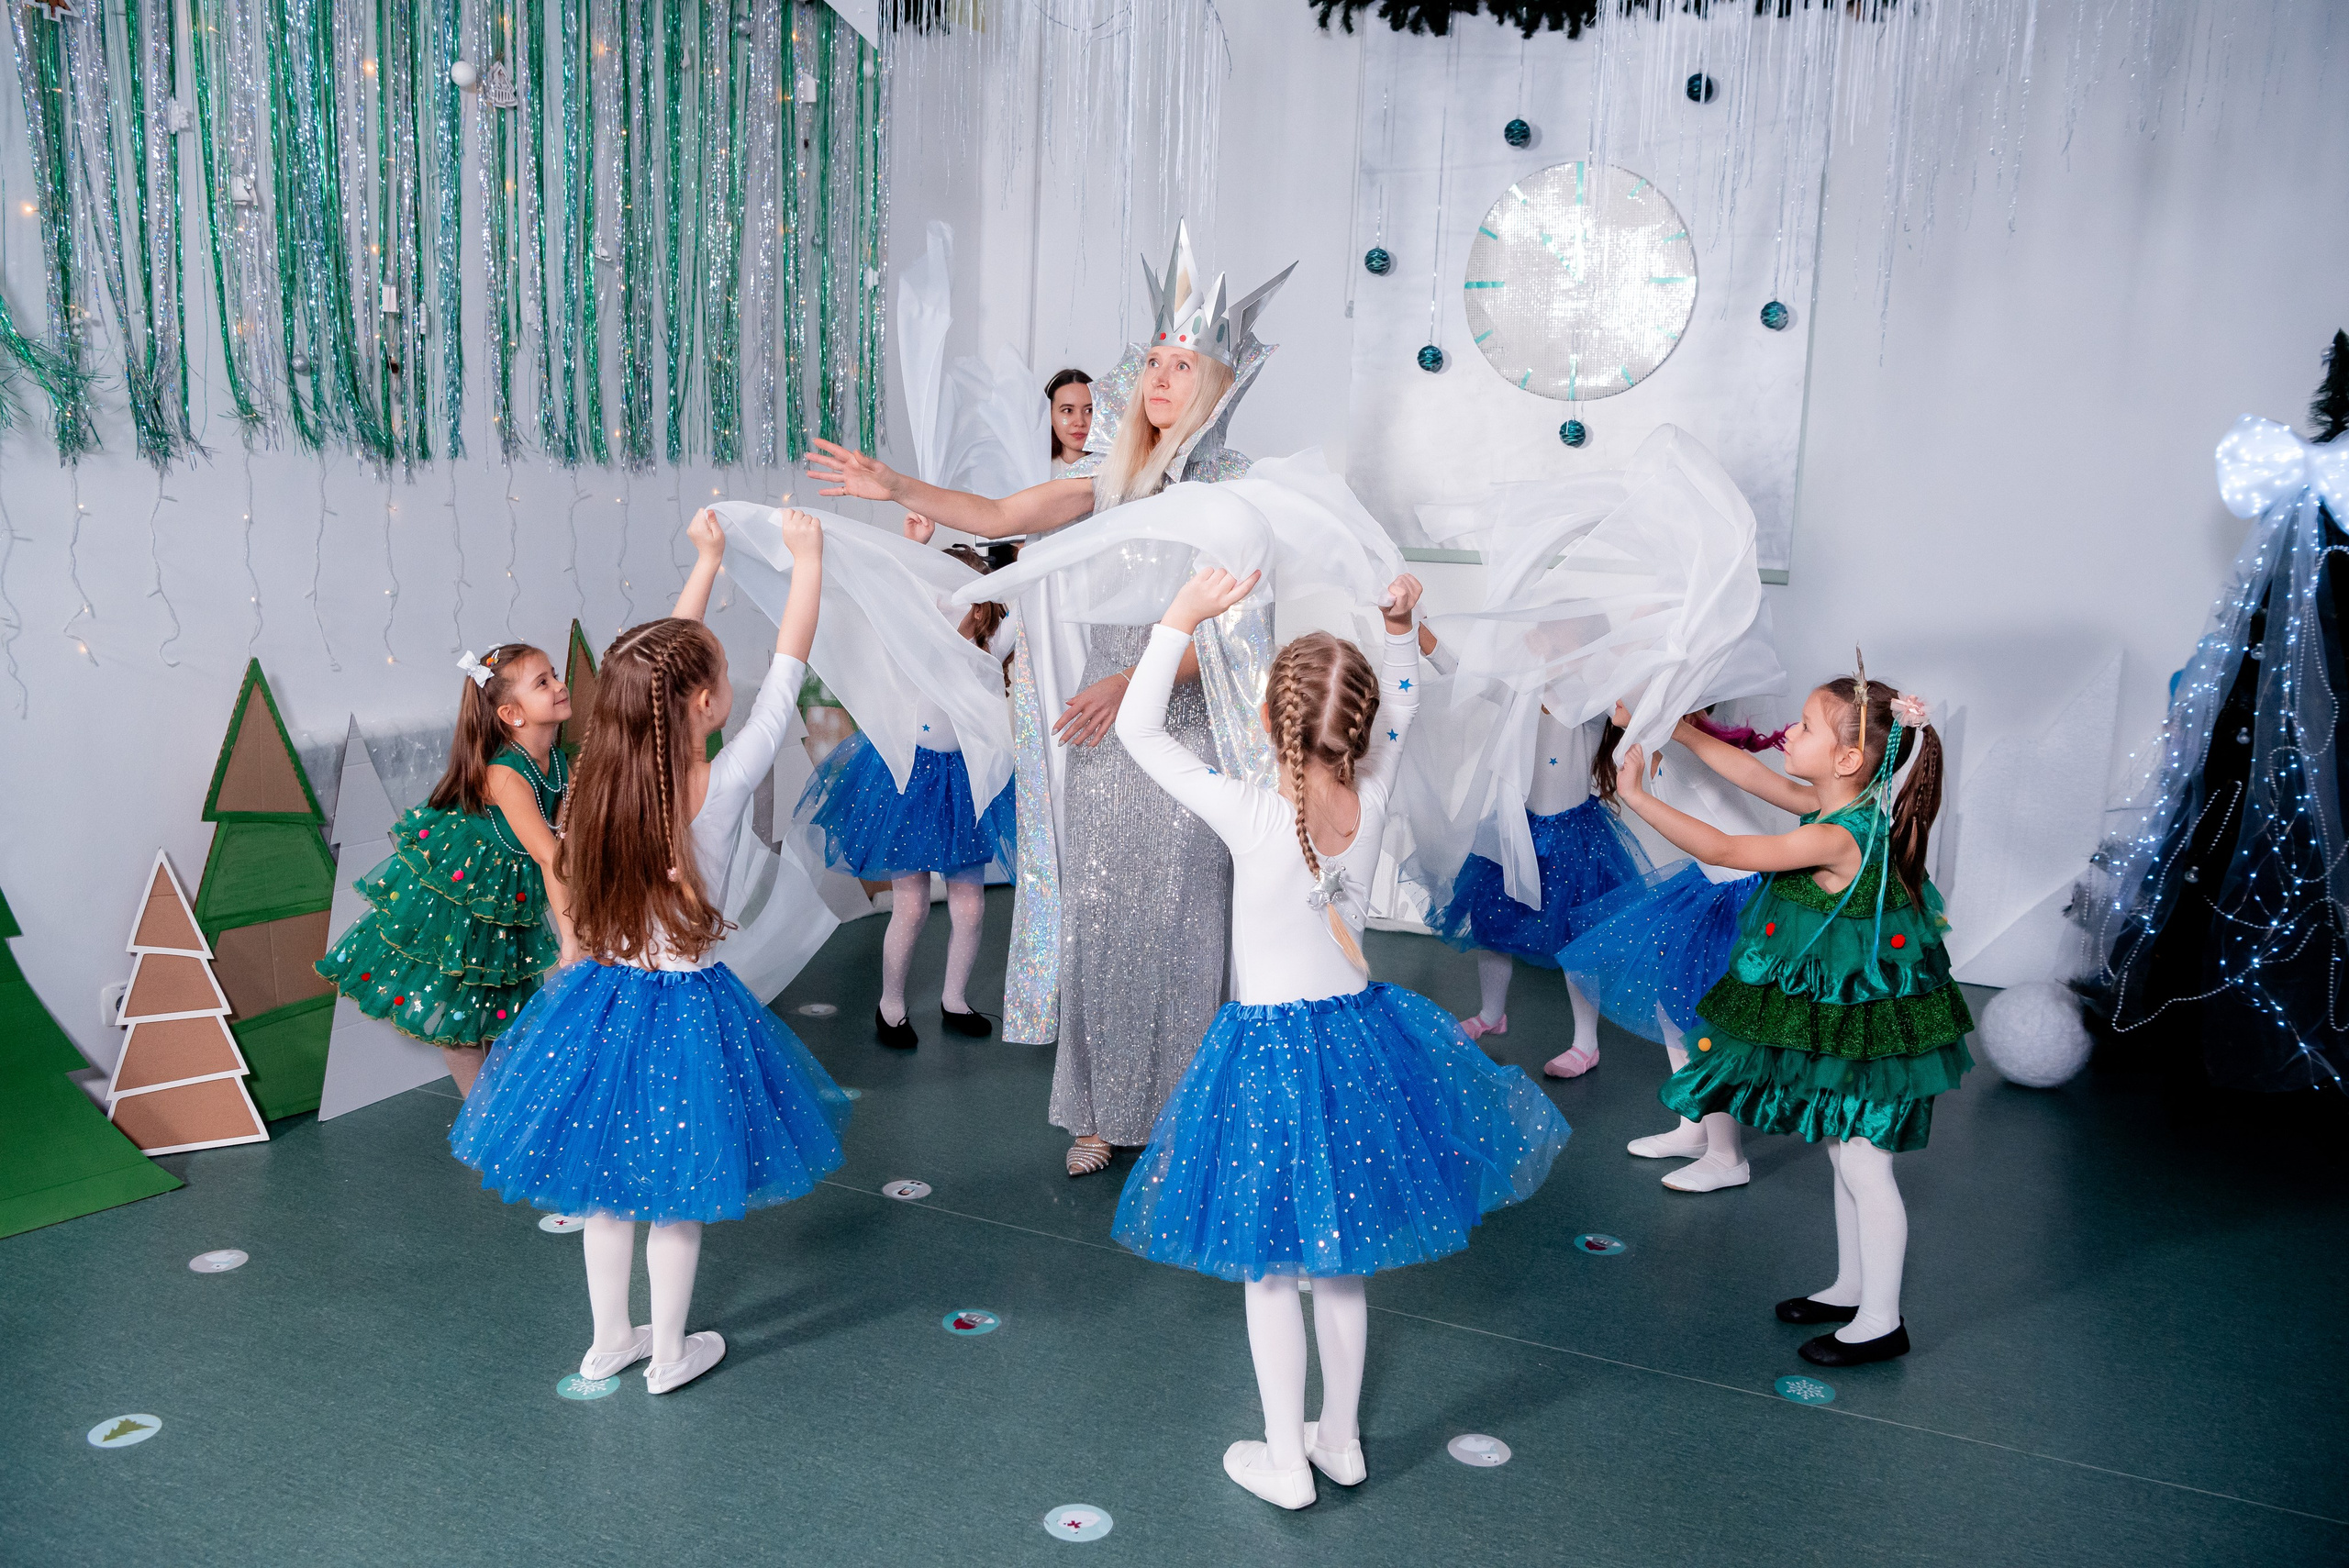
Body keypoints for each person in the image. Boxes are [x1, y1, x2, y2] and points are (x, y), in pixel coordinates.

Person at [808, 221, 1294, 1176]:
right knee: (1104, 914)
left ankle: (1189, 1115)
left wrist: (1136, 680)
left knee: (1190, 921)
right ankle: (1101, 1111)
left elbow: (1239, 636)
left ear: (1217, 383)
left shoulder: (1239, 492)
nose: (1157, 379)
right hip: (1104, 733)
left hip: (1182, 725)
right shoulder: (1105, 481)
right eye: (1151, 360)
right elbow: (996, 518)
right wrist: (891, 482)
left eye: (1180, 363)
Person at [1112, 566, 1570, 1509]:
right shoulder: (1373, 787)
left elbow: (1137, 729)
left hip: (1267, 1054)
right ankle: (1342, 1439)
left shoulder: (1247, 809)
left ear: (1273, 724)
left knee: (1269, 1267)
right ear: (1357, 727)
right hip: (1359, 1043)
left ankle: (1284, 1458)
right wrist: (1401, 626)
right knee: (1340, 1260)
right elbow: (1406, 696)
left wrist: (1180, 616)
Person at [451, 507, 852, 1396]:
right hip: (686, 1006)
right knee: (676, 1188)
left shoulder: (594, 769)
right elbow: (788, 666)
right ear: (703, 703)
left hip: (600, 998)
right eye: (712, 676)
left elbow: (649, 663)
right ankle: (668, 1350)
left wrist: (704, 561)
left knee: (603, 1187)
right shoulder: (722, 775)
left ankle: (607, 1340)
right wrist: (806, 561)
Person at [1611, 671, 1971, 1365]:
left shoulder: (1842, 835)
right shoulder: (1832, 803)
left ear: (1846, 759)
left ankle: (1882, 1320)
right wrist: (1673, 727)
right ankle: (1851, 1288)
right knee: (1845, 1152)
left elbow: (1727, 849)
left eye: (1805, 726)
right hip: (1851, 1020)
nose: (1789, 733)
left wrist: (1634, 795)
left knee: (1867, 1167)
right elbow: (1747, 771)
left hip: (1867, 1033)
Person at [796, 516, 1018, 1047]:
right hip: (906, 777)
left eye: (958, 595)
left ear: (982, 604)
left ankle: (955, 998)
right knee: (913, 902)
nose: (944, 604)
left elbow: (1028, 603)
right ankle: (890, 1005)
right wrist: (910, 546)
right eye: (934, 593)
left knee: (970, 903)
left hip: (964, 783)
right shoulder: (911, 644)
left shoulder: (993, 646)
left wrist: (1029, 556)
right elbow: (885, 592)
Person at [315, 643, 574, 1096]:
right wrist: (573, 941)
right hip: (462, 893)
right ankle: (481, 1116)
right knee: (461, 1011)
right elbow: (550, 856)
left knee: (505, 1006)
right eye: (544, 682)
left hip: (505, 890)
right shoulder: (505, 775)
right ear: (513, 715)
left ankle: (506, 1108)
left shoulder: (554, 759)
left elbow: (560, 836)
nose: (560, 685)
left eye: (554, 675)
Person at [1556, 708, 1780, 1193]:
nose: (1613, 699)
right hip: (1712, 887)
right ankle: (1695, 1129)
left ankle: (1727, 1156)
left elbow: (1728, 841)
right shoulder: (1653, 749)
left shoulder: (1684, 747)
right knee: (1671, 1005)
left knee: (1708, 1023)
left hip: (1748, 897)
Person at [1419, 631, 1646, 1077]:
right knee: (1492, 923)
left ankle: (1586, 1043)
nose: (1541, 645)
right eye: (1540, 637)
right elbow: (1468, 678)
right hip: (1517, 829)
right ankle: (1491, 1014)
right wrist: (1423, 636)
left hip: (1571, 839)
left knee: (1576, 942)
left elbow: (1617, 698)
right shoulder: (1522, 690)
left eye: (1554, 639)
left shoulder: (1590, 702)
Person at [1046, 368, 1094, 474]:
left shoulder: (1114, 469)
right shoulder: (1035, 470)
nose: (1080, 422)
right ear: (1049, 414)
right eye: (1068, 410)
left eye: (1089, 410)